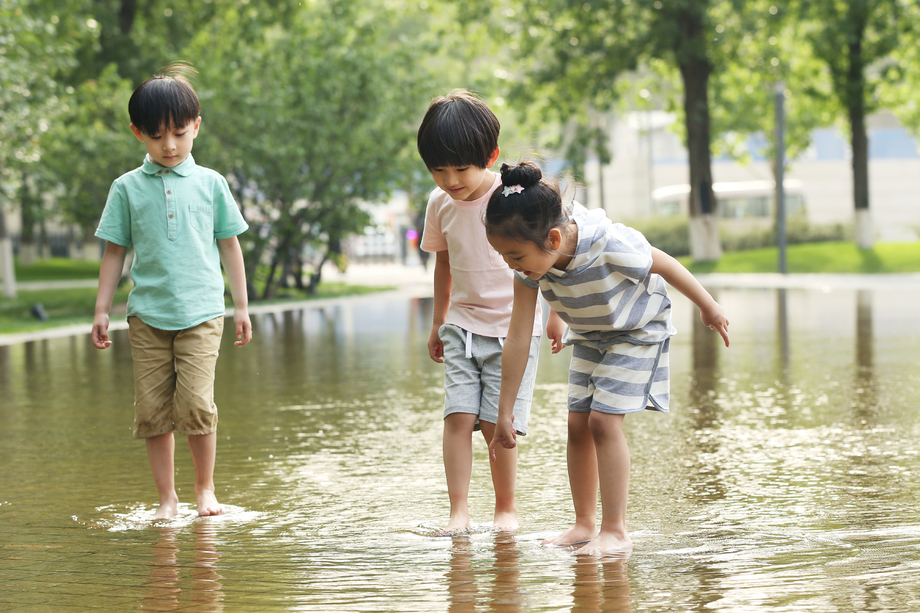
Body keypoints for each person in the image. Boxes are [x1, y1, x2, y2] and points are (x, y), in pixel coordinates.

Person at [485, 161, 730, 554]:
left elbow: (661, 262)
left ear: (551, 238)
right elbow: (516, 337)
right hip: (591, 334)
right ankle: (585, 524)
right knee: (577, 425)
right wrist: (504, 411)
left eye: (514, 257)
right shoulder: (533, 262)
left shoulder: (607, 243)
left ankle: (616, 531)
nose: (511, 267)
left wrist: (708, 305)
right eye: (504, 257)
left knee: (602, 422)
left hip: (638, 330)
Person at [92, 62, 252, 520]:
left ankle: (205, 490)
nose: (169, 145)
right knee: (152, 411)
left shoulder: (211, 184)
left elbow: (230, 246)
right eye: (157, 135)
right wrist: (102, 310)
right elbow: (114, 254)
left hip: (203, 312)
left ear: (196, 127)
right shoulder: (126, 189)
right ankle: (167, 498)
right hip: (147, 317)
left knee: (198, 404)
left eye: (179, 133)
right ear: (137, 132)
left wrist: (240, 306)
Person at [417, 90, 566, 533]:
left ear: (491, 156)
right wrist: (437, 321)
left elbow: (547, 256)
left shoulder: (509, 200)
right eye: (438, 169)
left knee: (493, 425)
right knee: (458, 418)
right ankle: (458, 512)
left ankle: (505, 508)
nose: (450, 180)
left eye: (460, 168)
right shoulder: (439, 204)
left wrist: (556, 313)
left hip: (512, 330)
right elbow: (443, 263)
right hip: (461, 327)